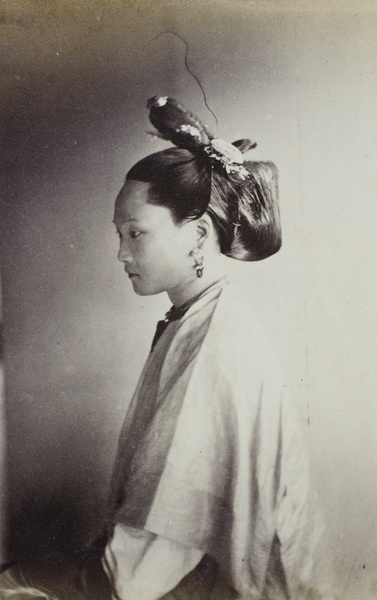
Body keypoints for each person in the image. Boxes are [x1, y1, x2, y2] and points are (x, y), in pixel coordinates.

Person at [99, 97, 323, 600]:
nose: (121, 253)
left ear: (197, 233)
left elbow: (160, 549)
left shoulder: (218, 343)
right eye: (119, 234)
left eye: (135, 233)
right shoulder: (200, 315)